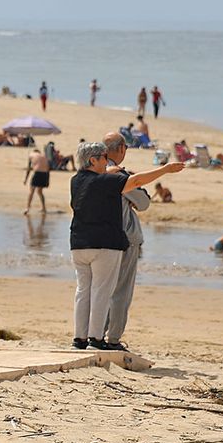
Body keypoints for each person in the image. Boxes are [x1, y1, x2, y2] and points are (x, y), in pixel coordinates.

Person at [70, 143, 183, 350]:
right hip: (104, 244)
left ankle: (80, 338)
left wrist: (111, 171)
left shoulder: (76, 180)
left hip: (78, 243)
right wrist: (165, 169)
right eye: (103, 157)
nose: (107, 161)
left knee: (83, 290)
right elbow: (137, 181)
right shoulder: (105, 182)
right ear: (93, 160)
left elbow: (97, 180)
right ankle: (96, 338)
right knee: (101, 291)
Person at [102, 133, 149, 350]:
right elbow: (143, 201)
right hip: (125, 236)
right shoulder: (119, 174)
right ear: (120, 148)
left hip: (100, 236)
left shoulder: (93, 171)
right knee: (121, 290)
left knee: (100, 289)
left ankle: (95, 334)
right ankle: (113, 338)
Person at [24, 142, 50, 215]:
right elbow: (48, 168)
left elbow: (29, 169)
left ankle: (27, 208)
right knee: (40, 192)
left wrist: (26, 179)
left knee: (31, 191)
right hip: (44, 174)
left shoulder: (31, 155)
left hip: (38, 173)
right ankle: (44, 208)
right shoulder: (43, 156)